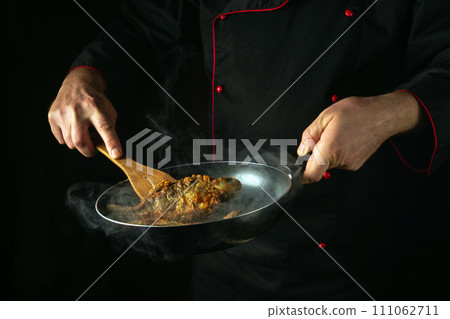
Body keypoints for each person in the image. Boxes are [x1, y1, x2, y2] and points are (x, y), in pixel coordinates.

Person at [48, 0, 450, 300]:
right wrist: (86, 72)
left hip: (359, 247)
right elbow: (142, 20)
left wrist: (395, 111)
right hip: (222, 245)